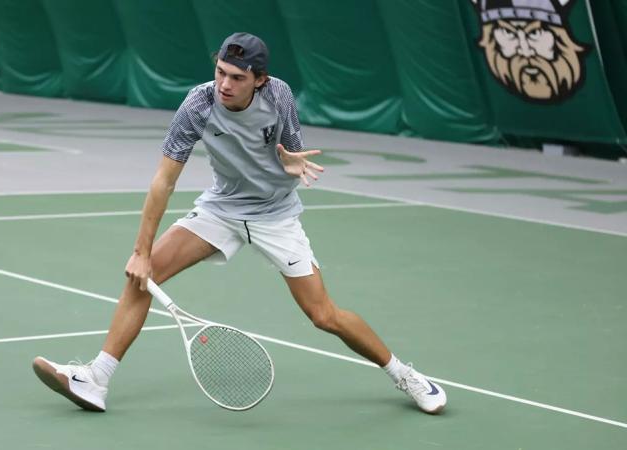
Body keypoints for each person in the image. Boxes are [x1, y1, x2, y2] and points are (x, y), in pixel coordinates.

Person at [33, 32, 447, 415]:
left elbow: (293, 153)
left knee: (323, 315)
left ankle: (403, 374)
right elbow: (164, 180)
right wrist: (141, 251)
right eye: (219, 73)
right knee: (143, 274)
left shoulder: (279, 95)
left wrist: (288, 162)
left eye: (236, 77)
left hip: (277, 215)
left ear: (259, 80)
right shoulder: (197, 104)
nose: (224, 84)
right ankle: (95, 379)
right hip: (222, 210)